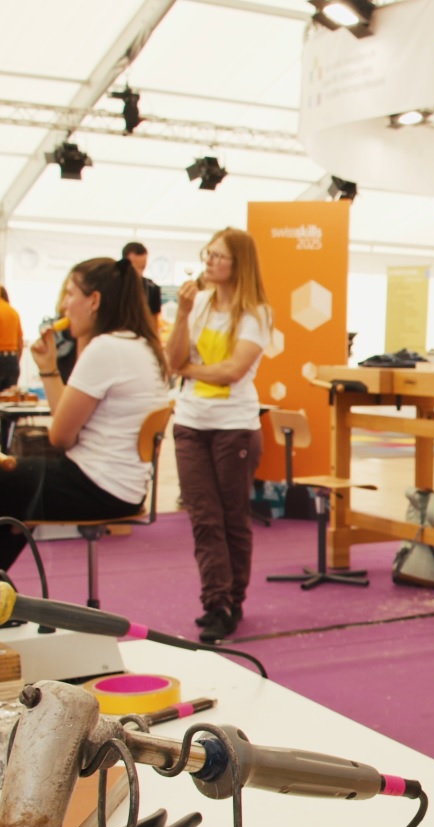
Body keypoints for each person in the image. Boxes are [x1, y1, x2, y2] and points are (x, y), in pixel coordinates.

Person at [0, 257, 168, 573]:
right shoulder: (140, 345)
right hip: (118, 484)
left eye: (70, 294)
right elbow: (66, 428)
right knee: (3, 485)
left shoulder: (106, 348)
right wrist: (48, 368)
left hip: (96, 485)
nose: (63, 305)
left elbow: (60, 437)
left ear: (95, 300)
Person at [165, 228, 271, 644]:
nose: (208, 262)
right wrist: (181, 312)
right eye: (207, 254)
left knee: (231, 517)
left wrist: (189, 370)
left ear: (238, 264)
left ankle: (233, 597)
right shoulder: (198, 304)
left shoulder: (256, 314)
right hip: (190, 423)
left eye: (218, 256)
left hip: (235, 427)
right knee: (203, 518)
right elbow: (173, 360)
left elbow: (233, 371)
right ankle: (217, 603)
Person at [123, 241, 164, 323]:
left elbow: (154, 321)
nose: (139, 272)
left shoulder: (152, 288)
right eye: (134, 268)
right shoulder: (111, 286)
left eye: (142, 267)